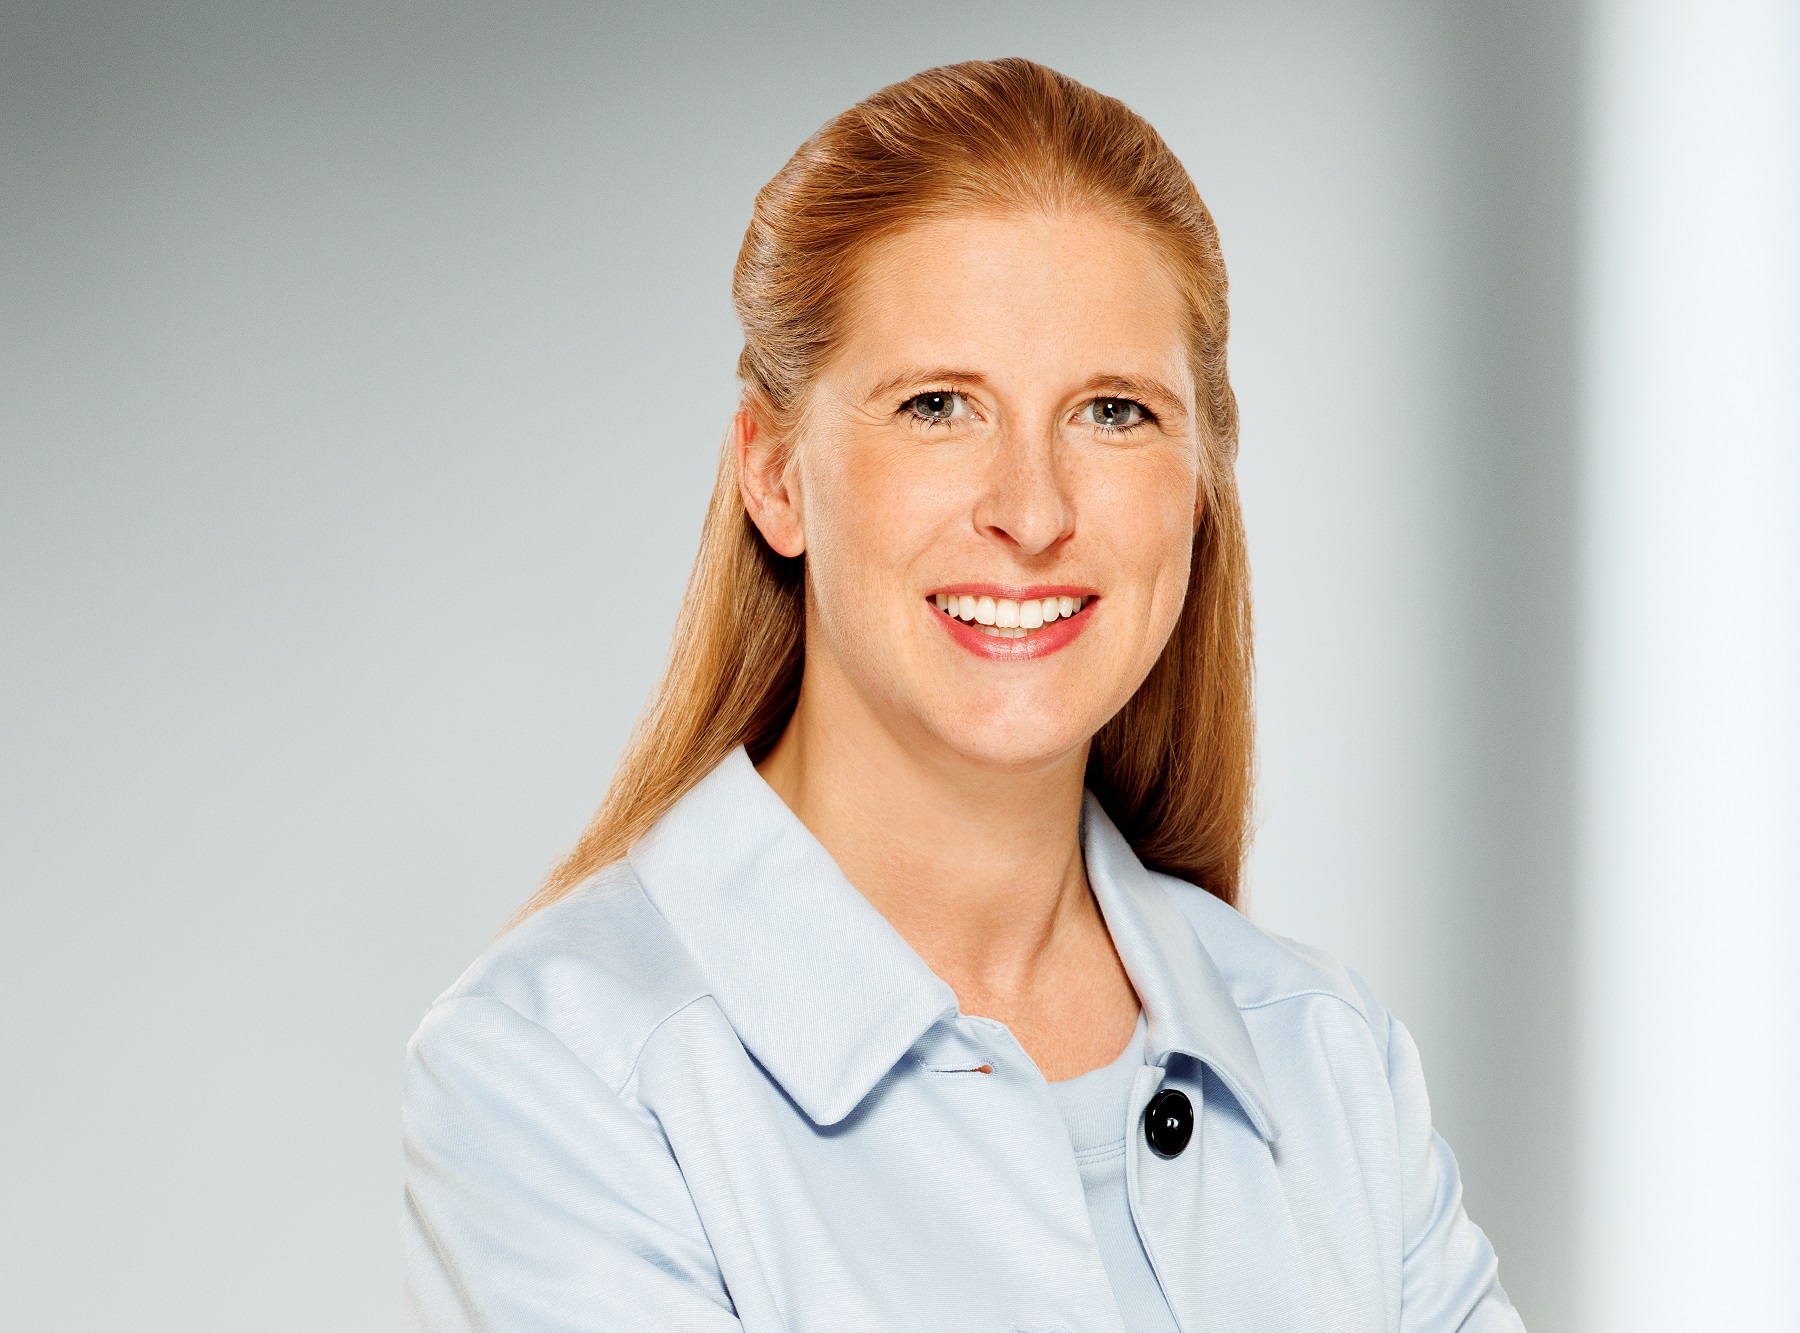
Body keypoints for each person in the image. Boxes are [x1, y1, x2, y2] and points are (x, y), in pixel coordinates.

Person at [401, 57, 1522, 1333]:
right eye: (937, 407)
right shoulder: (561, 1074)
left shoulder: (1328, 1058)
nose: (1032, 513)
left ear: (1201, 481)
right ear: (772, 476)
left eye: (1111, 412)